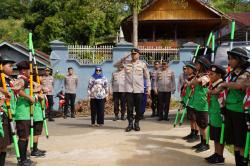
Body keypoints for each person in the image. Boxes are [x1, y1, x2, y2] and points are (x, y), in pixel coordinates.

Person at [219, 48, 250, 165]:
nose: (229, 61)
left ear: (240, 60)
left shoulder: (246, 73)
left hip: (240, 111)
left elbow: (239, 85)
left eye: (232, 59)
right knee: (235, 142)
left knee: (241, 142)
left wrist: (225, 84)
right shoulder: (231, 73)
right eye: (229, 58)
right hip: (230, 109)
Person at [115, 48, 151, 132]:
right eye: (132, 54)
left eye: (135, 54)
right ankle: (130, 124)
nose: (133, 55)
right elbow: (116, 65)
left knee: (138, 108)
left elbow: (147, 77)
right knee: (130, 108)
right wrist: (124, 58)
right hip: (129, 90)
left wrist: (148, 88)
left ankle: (137, 123)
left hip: (139, 90)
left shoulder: (142, 64)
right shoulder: (126, 63)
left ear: (138, 54)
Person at [14, 61, 37, 166]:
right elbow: (18, 91)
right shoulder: (21, 79)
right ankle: (22, 161)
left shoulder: (26, 80)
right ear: (24, 70)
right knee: (23, 137)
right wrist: (29, 98)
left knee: (26, 136)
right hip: (22, 113)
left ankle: (25, 159)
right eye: (29, 70)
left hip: (26, 112)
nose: (30, 72)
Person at [205, 64, 226, 164]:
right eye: (209, 74)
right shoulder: (213, 84)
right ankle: (216, 153)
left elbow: (215, 93)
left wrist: (209, 91)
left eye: (212, 74)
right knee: (215, 136)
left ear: (219, 75)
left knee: (219, 136)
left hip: (218, 115)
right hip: (213, 114)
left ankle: (220, 156)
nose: (210, 76)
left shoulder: (221, 85)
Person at [191, 56, 211, 153]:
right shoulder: (199, 75)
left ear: (202, 66)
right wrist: (197, 76)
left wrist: (196, 76)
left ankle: (206, 144)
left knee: (203, 125)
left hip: (203, 105)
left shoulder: (207, 76)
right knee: (199, 124)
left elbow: (195, 82)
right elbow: (192, 83)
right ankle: (202, 142)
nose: (196, 66)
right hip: (197, 104)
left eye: (198, 64)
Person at [0, 57, 16, 166]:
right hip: (2, 114)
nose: (12, 68)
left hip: (9, 113)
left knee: (4, 143)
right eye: (9, 66)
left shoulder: (9, 79)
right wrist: (3, 91)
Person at [181, 62, 199, 143]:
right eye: (186, 69)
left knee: (195, 119)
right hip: (188, 101)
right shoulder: (188, 78)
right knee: (191, 119)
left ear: (193, 70)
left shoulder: (195, 78)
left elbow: (193, 87)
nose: (187, 70)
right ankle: (192, 132)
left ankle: (196, 134)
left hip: (193, 101)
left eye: (188, 69)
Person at [31, 71, 46, 157]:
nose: (43, 78)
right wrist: (40, 95)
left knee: (37, 132)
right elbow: (36, 97)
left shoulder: (38, 86)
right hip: (36, 113)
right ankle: (34, 150)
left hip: (39, 112)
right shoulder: (34, 86)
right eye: (41, 76)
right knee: (36, 132)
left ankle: (35, 148)